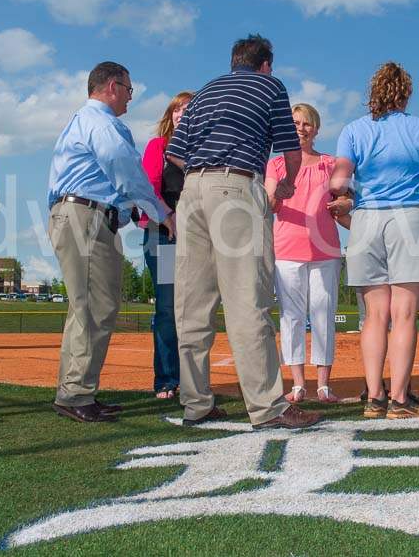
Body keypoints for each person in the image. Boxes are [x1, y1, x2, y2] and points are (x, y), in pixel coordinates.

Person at [166, 33, 322, 430]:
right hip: (235, 187)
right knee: (246, 299)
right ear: (265, 64)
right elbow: (289, 151)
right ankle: (267, 408)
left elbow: (175, 155)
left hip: (192, 191)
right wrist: (285, 184)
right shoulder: (269, 85)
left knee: (191, 304)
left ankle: (196, 403)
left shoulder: (204, 91)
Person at [48, 61, 174, 424]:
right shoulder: (101, 122)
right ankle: (75, 393)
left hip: (84, 216)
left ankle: (78, 390)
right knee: (94, 308)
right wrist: (163, 212)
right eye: (130, 90)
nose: (130, 99)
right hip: (86, 217)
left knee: (89, 307)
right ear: (113, 86)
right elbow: (126, 170)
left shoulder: (84, 121)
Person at [331, 62, 419, 419]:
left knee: (374, 316)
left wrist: (350, 189)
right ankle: (400, 400)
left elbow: (338, 181)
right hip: (408, 219)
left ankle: (374, 398)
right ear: (406, 93)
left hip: (366, 220)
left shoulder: (353, 130)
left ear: (373, 94)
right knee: (405, 314)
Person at [265, 103, 351, 404]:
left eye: (307, 123)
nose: (301, 128)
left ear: (316, 129)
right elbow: (269, 201)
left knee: (324, 314)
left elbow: (345, 199)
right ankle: (299, 384)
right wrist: (278, 194)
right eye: (296, 123)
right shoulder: (276, 164)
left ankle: (324, 385)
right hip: (287, 249)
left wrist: (345, 204)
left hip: (325, 250)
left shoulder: (330, 163)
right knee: (291, 317)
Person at [140, 91, 193, 400]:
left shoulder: (201, 150)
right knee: (168, 308)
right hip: (165, 234)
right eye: (176, 109)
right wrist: (170, 216)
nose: (180, 114)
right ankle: (167, 380)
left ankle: (193, 379)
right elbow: (148, 189)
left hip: (198, 236)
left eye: (187, 109)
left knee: (194, 308)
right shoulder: (158, 147)